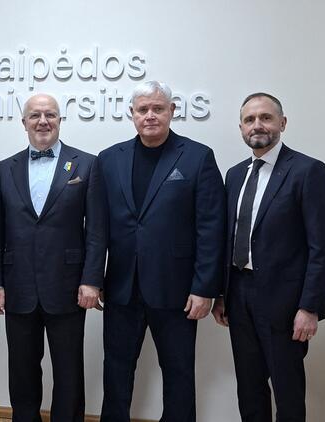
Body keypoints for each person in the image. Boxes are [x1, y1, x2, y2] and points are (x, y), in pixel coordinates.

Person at [98, 80, 226, 422]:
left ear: (172, 111)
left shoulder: (198, 157)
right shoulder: (109, 159)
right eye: (143, 109)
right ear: (132, 114)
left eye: (158, 108)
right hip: (122, 288)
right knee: (116, 372)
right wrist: (93, 278)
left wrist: (204, 288)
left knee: (179, 373)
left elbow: (211, 227)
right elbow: (98, 227)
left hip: (177, 290)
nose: (150, 115)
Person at [211, 93, 325, 422]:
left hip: (285, 303)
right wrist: (222, 294)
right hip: (238, 295)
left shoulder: (308, 171)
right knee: (249, 387)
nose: (257, 125)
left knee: (287, 389)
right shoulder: (234, 175)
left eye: (266, 117)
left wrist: (310, 307)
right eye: (249, 119)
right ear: (241, 128)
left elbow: (323, 248)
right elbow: (227, 238)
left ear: (282, 123)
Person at [0, 93, 106, 422]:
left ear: (59, 120)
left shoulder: (86, 164)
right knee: (22, 370)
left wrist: (91, 279)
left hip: (68, 287)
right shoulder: (5, 168)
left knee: (69, 370)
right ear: (23, 122)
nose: (43, 121)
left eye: (50, 114)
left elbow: (97, 231)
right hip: (17, 287)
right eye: (35, 115)